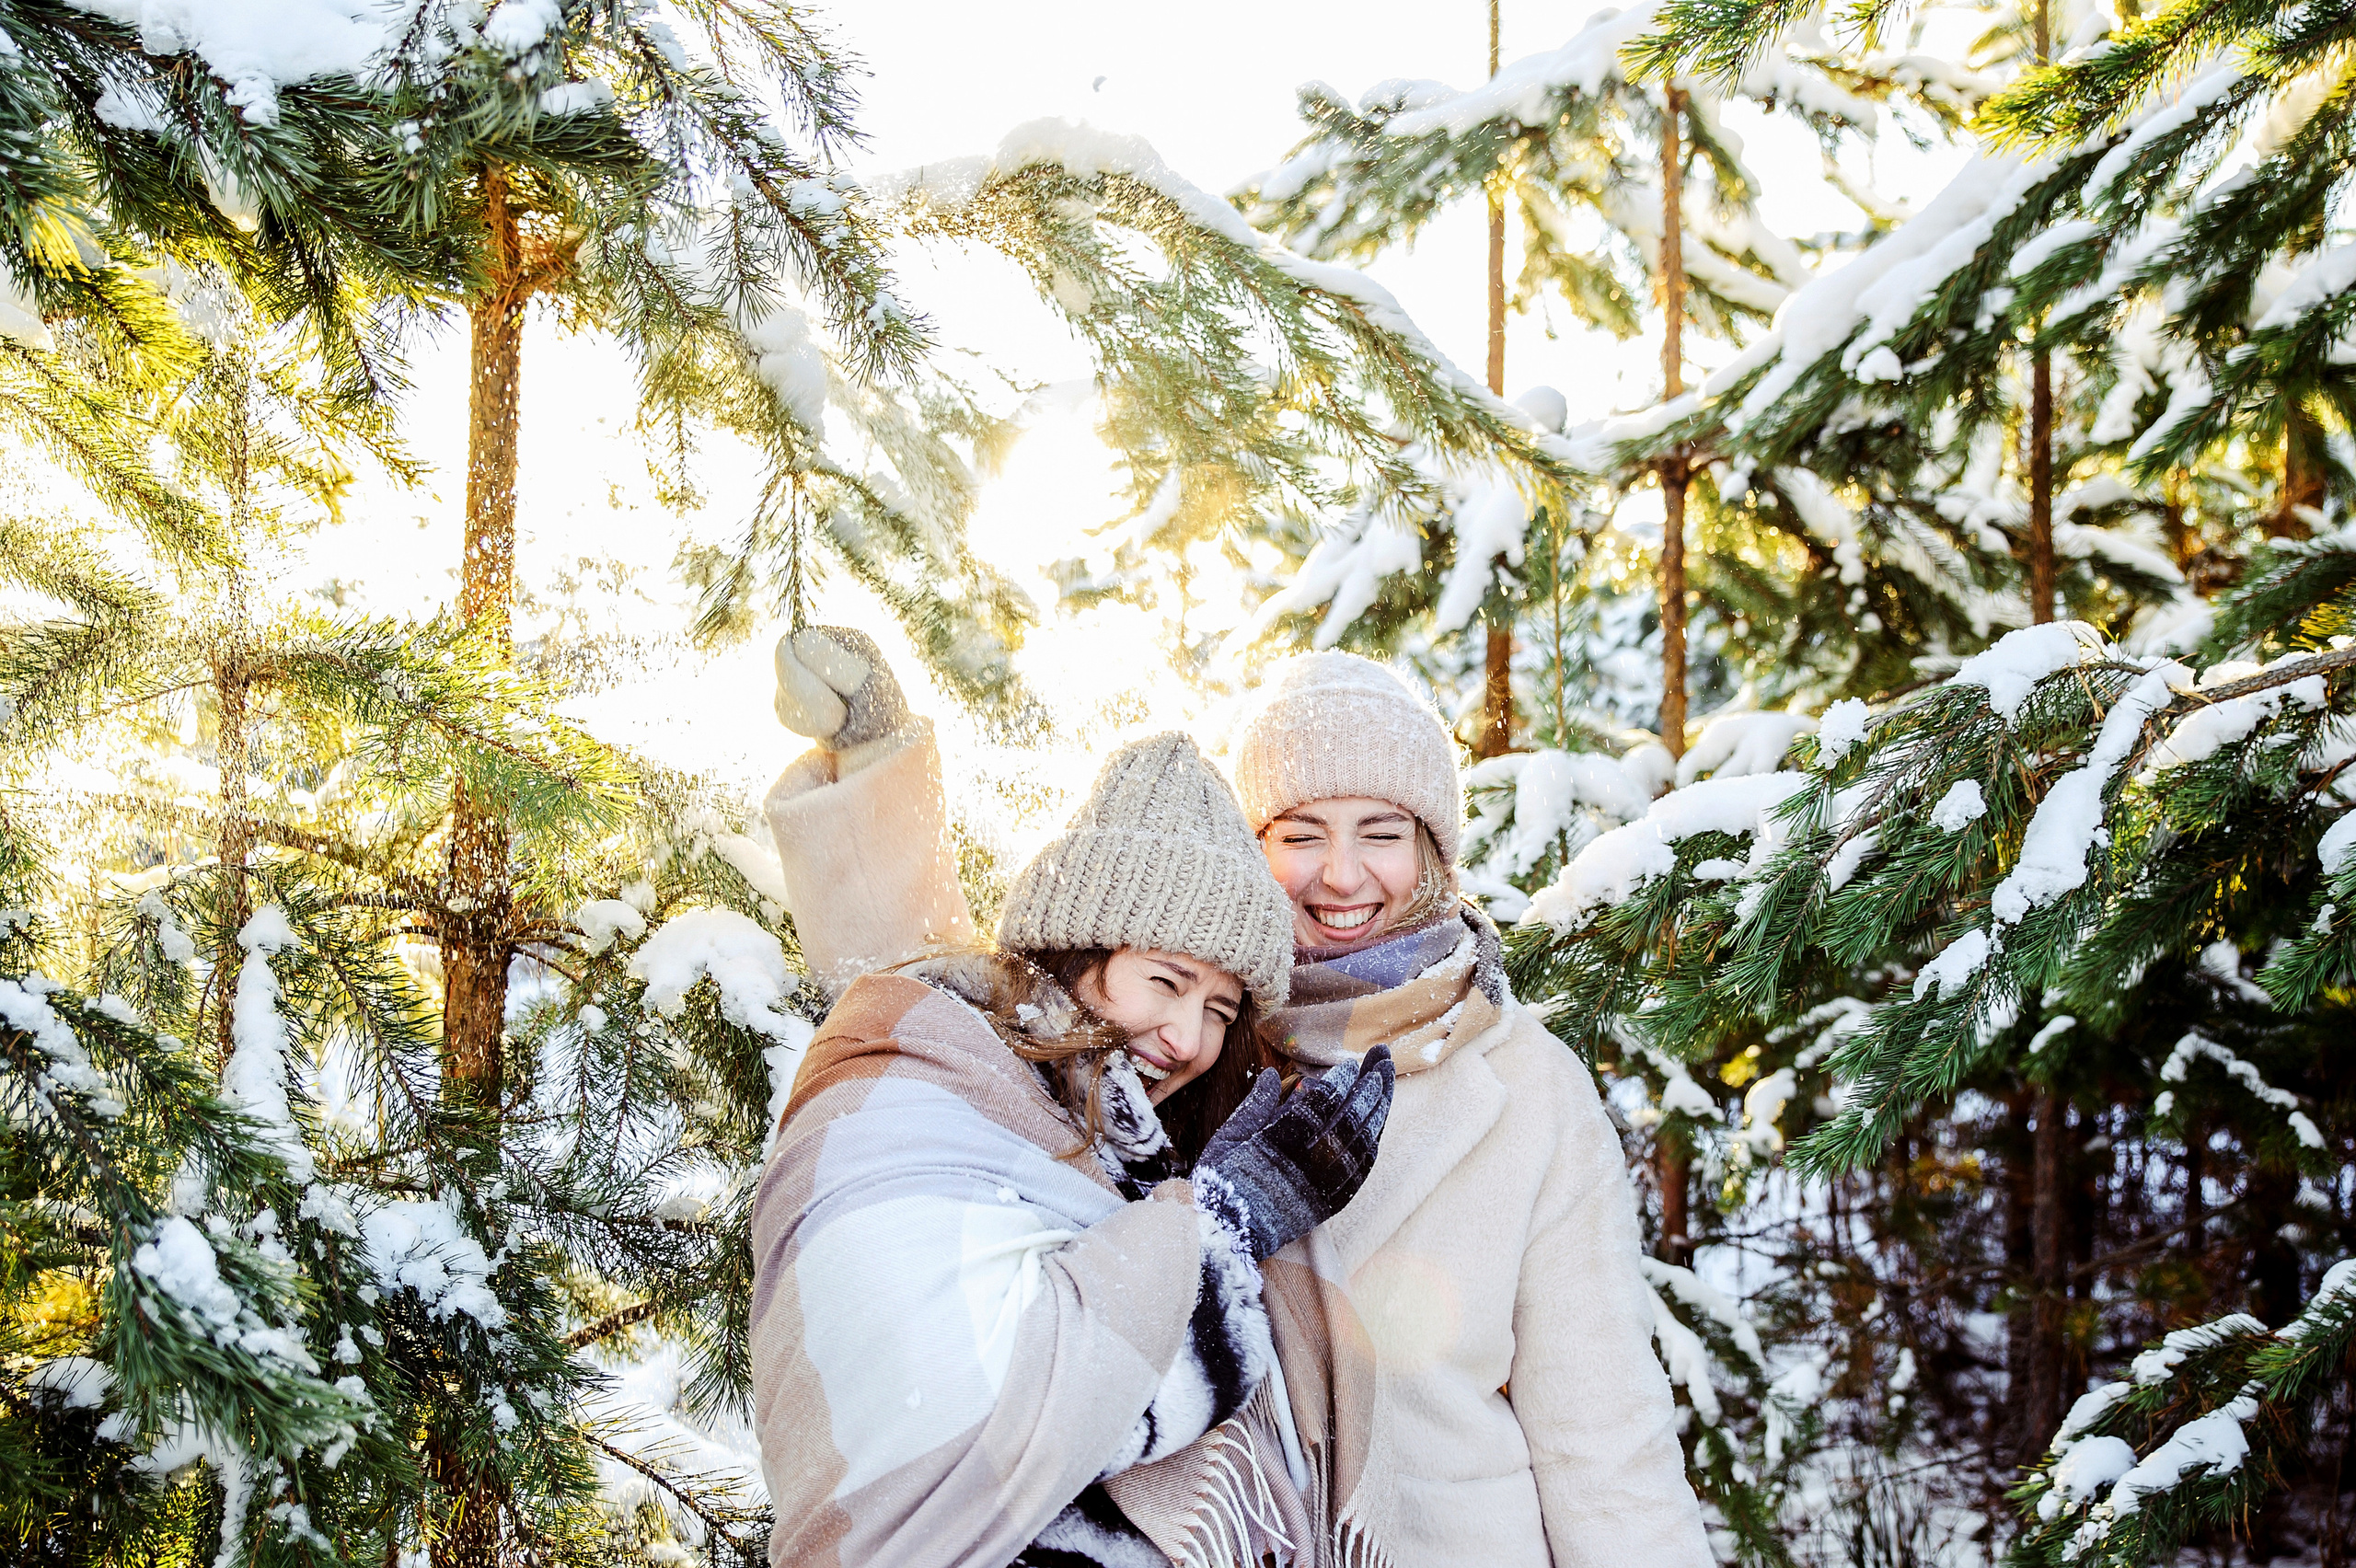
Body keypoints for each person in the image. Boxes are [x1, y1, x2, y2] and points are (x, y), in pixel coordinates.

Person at [765, 632, 1715, 1568]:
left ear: (1430, 854)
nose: (1341, 875)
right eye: (1299, 836)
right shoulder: (1188, 1042)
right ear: (1247, 858)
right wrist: (876, 776)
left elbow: (1602, 1438)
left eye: (1381, 834)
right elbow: (976, 1021)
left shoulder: (1524, 1087)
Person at [750, 727, 1396, 1567]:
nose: (1187, 1037)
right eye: (1166, 981)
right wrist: (1227, 1223)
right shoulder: (929, 1093)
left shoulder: (1091, 1130)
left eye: (1221, 1009)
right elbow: (993, 1402)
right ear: (1076, 950)